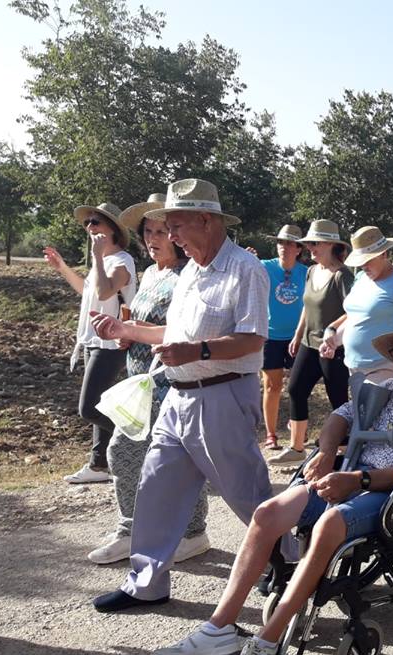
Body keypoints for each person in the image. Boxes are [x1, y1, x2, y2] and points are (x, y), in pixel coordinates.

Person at [148, 312, 393, 655]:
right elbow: (342, 414)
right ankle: (219, 628)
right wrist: (324, 450)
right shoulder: (390, 389)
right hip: (353, 476)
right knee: (268, 514)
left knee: (329, 525)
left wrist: (357, 481)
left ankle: (265, 645)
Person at [86, 178, 278, 613]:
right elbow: (174, 333)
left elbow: (252, 339)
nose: (169, 236)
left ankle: (288, 562)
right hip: (179, 394)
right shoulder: (190, 270)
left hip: (224, 395)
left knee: (246, 494)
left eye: (175, 225)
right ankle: (146, 583)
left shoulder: (245, 270)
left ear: (205, 220)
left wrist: (198, 351)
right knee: (156, 487)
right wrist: (125, 330)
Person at [88, 193, 210, 564]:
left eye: (162, 230)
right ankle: (162, 530)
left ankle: (175, 532)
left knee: (151, 456)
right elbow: (145, 322)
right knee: (143, 454)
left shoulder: (187, 276)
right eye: (149, 232)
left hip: (170, 381)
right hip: (141, 379)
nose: (155, 238)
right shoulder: (153, 274)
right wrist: (126, 331)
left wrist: (134, 329)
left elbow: (185, 330)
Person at [44, 202, 137, 484]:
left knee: (90, 407)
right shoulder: (104, 260)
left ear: (113, 230)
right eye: (88, 223)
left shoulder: (122, 261)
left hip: (111, 342)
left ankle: (139, 445)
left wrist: (96, 256)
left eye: (96, 222)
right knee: (103, 402)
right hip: (92, 341)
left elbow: (106, 291)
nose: (90, 227)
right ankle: (99, 465)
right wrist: (62, 267)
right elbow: (88, 292)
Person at [270, 220, 352, 466]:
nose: (310, 248)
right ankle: (297, 448)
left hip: (332, 347)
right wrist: (297, 335)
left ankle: (344, 452)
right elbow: (307, 307)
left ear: (330, 244)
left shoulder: (343, 275)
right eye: (308, 244)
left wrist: (333, 330)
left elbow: (353, 310)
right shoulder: (311, 271)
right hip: (308, 342)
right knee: (295, 389)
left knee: (337, 398)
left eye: (314, 243)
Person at [321, 226, 393, 382]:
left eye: (368, 260)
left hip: (385, 367)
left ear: (384, 254)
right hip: (353, 365)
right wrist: (334, 339)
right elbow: (356, 317)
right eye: (361, 262)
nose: (363, 266)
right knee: (360, 407)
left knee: (370, 407)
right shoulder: (360, 278)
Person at [259, 225, 308, 450]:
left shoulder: (306, 272)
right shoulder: (264, 267)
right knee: (272, 386)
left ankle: (295, 425)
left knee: (299, 387)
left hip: (298, 337)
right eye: (280, 242)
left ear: (299, 248)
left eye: (289, 243)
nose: (284, 247)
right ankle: (271, 434)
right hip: (270, 336)